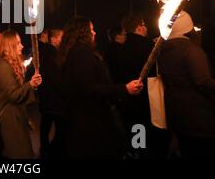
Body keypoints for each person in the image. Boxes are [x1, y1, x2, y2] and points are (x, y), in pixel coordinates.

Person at [58, 17, 143, 158]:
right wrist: (124, 89)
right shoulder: (80, 54)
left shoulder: (77, 52)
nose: (95, 33)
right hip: (90, 122)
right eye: (91, 29)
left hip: (86, 119)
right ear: (82, 33)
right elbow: (89, 88)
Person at [157, 11, 215, 158]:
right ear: (187, 27)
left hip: (178, 118)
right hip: (199, 119)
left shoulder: (163, 51)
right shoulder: (191, 50)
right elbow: (204, 82)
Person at [118, 15, 170, 158]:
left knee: (136, 133)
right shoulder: (149, 47)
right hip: (149, 100)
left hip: (129, 101)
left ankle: (137, 152)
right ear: (139, 27)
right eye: (144, 25)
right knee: (152, 138)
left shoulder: (121, 49)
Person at [0, 30, 42, 159]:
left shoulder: (9, 65)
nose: (22, 46)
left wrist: (32, 85)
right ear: (10, 46)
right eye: (18, 43)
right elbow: (13, 95)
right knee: (18, 154)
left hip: (15, 117)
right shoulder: (4, 67)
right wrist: (30, 85)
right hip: (10, 121)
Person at [38, 28, 64, 158]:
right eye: (61, 37)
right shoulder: (51, 54)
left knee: (46, 125)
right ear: (53, 39)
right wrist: (66, 90)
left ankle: (45, 148)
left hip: (48, 98)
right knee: (59, 127)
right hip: (53, 98)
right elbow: (56, 77)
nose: (63, 40)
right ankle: (50, 149)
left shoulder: (49, 52)